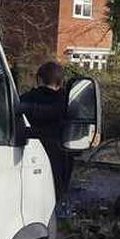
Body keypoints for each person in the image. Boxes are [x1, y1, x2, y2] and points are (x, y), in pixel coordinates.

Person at [18, 61, 73, 202]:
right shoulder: (69, 103)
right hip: (60, 163)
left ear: (39, 79)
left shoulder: (27, 100)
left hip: (26, 158)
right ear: (61, 81)